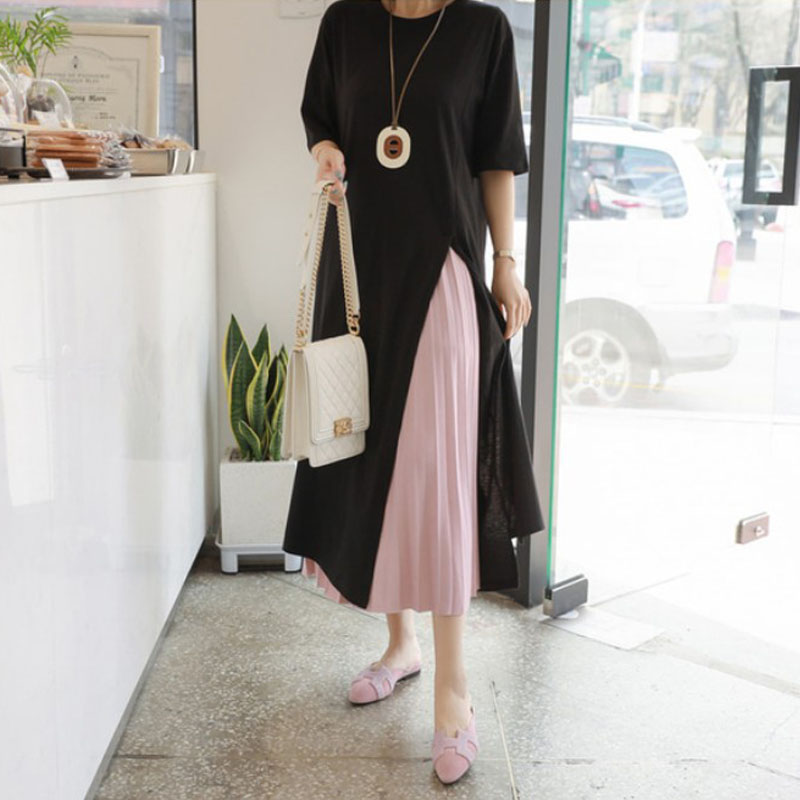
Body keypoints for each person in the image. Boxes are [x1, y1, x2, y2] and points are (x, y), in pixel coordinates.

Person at [282, 0, 545, 784]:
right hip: (359, 273)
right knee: (373, 457)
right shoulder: (345, 23)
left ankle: (454, 692)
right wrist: (328, 154)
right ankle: (401, 645)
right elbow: (323, 121)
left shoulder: (482, 30)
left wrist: (505, 262)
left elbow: (496, 157)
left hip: (443, 267)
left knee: (440, 473)